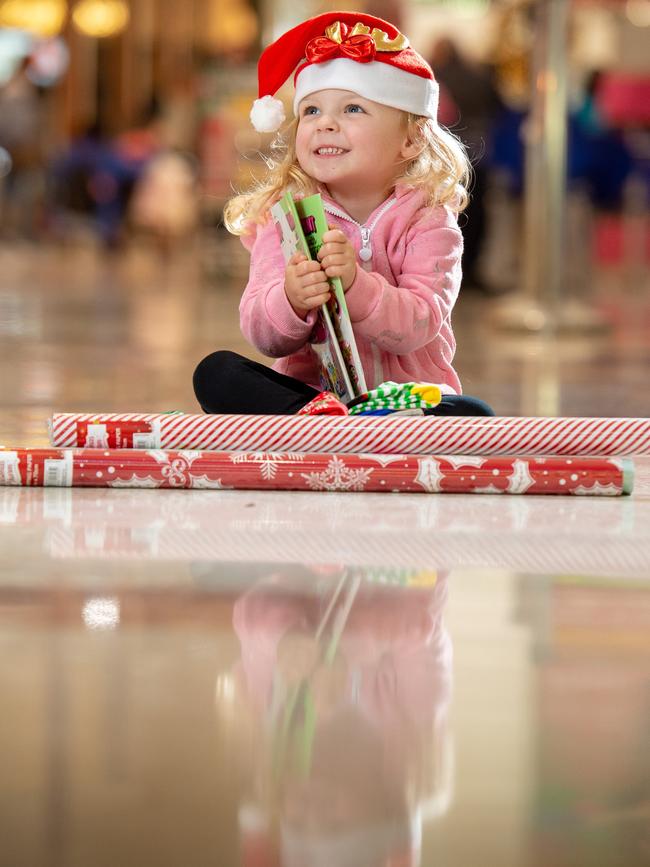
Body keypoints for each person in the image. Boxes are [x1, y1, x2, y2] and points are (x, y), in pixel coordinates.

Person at [193, 11, 494, 417]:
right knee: (218, 373)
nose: (326, 125)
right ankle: (324, 418)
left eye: (353, 109)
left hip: (407, 398)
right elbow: (262, 333)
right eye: (312, 111)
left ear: (410, 139)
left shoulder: (429, 222)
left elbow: (419, 323)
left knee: (472, 413)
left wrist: (354, 285)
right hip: (311, 395)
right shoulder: (283, 219)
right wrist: (290, 300)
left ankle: (356, 426)